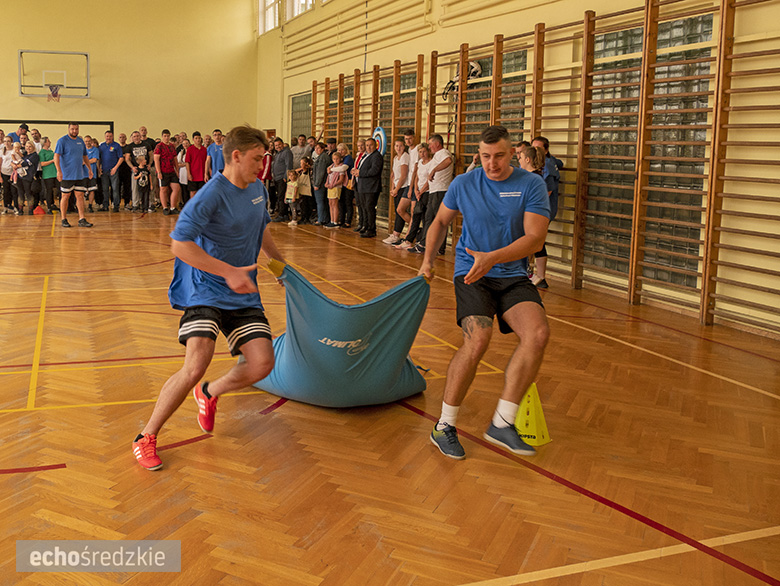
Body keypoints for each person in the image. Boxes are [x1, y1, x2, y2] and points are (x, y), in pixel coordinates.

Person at [132, 125, 286, 471]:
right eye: (257, 158)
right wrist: (228, 271)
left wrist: (281, 268)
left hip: (242, 293)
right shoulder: (210, 195)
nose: (262, 165)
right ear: (236, 156)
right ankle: (146, 437)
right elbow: (180, 244)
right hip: (204, 288)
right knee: (196, 362)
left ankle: (210, 392)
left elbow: (262, 230)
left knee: (262, 364)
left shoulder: (257, 189)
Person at [418, 125, 550, 459]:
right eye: (486, 157)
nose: (492, 164)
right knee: (478, 339)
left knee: (537, 334)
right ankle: (444, 425)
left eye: (500, 156)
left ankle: (503, 423)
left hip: (510, 273)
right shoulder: (464, 183)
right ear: (480, 155)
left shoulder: (531, 184)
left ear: (513, 154)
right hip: (472, 272)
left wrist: (493, 258)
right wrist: (427, 261)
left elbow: (534, 239)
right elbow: (439, 222)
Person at [410, 134, 453, 254]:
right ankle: (434, 246)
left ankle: (426, 245)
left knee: (433, 219)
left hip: (440, 191)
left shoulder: (443, 153)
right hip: (434, 191)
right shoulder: (437, 156)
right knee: (431, 219)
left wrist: (434, 170)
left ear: (437, 144)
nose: (429, 147)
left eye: (430, 144)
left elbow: (448, 161)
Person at [529, 136, 562, 289]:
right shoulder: (550, 161)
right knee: (532, 240)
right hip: (537, 211)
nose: (535, 151)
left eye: (539, 149)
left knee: (537, 241)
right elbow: (560, 162)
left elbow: (545, 192)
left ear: (546, 150)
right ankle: (532, 273)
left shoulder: (546, 166)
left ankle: (541, 276)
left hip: (543, 211)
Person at [54, 123, 93, 227]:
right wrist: (59, 171)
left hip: (79, 174)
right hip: (67, 175)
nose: (74, 131)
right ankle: (63, 219)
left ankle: (82, 219)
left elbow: (85, 156)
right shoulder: (62, 141)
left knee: (80, 196)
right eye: (72, 129)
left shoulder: (81, 141)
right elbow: (56, 157)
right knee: (65, 196)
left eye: (76, 129)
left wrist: (89, 169)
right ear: (68, 129)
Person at [397, 143, 433, 250]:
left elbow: (429, 179)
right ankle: (409, 240)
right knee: (415, 217)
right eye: (420, 152)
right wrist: (416, 190)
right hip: (419, 193)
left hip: (427, 192)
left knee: (426, 218)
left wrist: (421, 191)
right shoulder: (420, 163)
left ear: (428, 152)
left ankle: (423, 242)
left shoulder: (431, 163)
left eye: (424, 151)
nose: (422, 154)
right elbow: (416, 177)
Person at [353, 137, 383, 238]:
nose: (368, 147)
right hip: (363, 186)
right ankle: (365, 226)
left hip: (371, 187)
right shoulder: (365, 155)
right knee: (364, 208)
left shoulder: (376, 156)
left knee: (370, 208)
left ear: (375, 146)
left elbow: (374, 171)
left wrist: (360, 173)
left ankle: (371, 229)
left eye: (371, 145)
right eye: (367, 145)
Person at [383, 138, 410, 245]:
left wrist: (397, 189)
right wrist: (392, 188)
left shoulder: (405, 157)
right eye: (396, 146)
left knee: (400, 211)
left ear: (404, 147)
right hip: (397, 187)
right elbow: (393, 175)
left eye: (401, 146)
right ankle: (396, 234)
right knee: (397, 211)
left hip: (403, 187)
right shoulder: (395, 158)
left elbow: (403, 176)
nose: (398, 148)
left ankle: (410, 230)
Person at [154, 129, 181, 214]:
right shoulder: (159, 146)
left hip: (172, 171)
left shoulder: (172, 146)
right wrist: (159, 172)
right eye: (165, 136)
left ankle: (173, 207)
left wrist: (177, 170)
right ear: (162, 137)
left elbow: (175, 159)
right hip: (163, 171)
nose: (166, 138)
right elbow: (156, 160)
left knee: (176, 188)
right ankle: (165, 207)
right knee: (163, 189)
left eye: (168, 136)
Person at [125, 131, 152, 212]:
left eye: (137, 136)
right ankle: (135, 205)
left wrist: (150, 164)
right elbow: (127, 159)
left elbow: (151, 155)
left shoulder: (146, 145)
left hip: (146, 170)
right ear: (132, 138)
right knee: (135, 188)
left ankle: (148, 205)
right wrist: (132, 167)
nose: (136, 138)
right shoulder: (130, 146)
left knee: (148, 188)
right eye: (134, 136)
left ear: (140, 136)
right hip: (136, 169)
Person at [98, 131, 125, 212]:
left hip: (114, 171)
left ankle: (116, 206)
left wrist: (115, 168)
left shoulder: (116, 146)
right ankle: (105, 206)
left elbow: (121, 158)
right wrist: (99, 168)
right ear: (105, 137)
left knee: (115, 189)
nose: (108, 138)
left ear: (112, 137)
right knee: (105, 189)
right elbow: (98, 158)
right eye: (107, 136)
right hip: (104, 171)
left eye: (110, 136)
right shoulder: (101, 146)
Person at [271, 138, 293, 222]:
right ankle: (284, 214)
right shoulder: (278, 153)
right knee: (281, 196)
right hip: (277, 178)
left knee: (281, 197)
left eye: (279, 144)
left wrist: (286, 177)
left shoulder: (287, 152)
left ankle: (281, 215)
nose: (277, 147)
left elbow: (289, 165)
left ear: (283, 144)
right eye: (276, 145)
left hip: (282, 178)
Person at [324, 152, 348, 229]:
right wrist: (327, 183)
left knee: (335, 204)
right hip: (330, 187)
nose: (335, 160)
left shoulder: (340, 168)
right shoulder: (331, 166)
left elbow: (341, 180)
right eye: (334, 159)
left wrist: (333, 185)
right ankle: (331, 220)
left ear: (340, 159)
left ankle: (335, 221)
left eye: (337, 159)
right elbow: (328, 176)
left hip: (336, 187)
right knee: (330, 203)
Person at [17, 141, 41, 214]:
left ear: (33, 147)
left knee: (28, 193)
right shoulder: (24, 155)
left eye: (30, 146)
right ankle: (20, 210)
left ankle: (30, 210)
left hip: (28, 177)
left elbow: (25, 163)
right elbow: (17, 160)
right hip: (20, 176)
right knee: (20, 193)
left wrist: (17, 165)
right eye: (27, 146)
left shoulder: (35, 156)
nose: (28, 148)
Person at [311, 142, 330, 225]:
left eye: (318, 148)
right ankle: (324, 218)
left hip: (321, 184)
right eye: (315, 148)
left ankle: (321, 219)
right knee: (322, 202)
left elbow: (320, 172)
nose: (316, 150)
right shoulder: (321, 156)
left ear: (323, 149)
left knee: (320, 202)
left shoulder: (323, 157)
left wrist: (317, 184)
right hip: (321, 183)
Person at [336, 143, 354, 227]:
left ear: (346, 150)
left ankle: (348, 221)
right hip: (342, 183)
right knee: (341, 201)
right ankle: (341, 219)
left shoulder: (348, 158)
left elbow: (343, 168)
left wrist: (331, 169)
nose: (340, 151)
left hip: (349, 183)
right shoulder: (341, 159)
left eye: (342, 150)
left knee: (348, 202)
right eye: (339, 150)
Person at [186, 131, 208, 199]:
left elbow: (207, 162)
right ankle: (192, 206)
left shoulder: (204, 149)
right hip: (193, 175)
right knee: (193, 192)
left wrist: (206, 173)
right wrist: (189, 174)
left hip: (202, 174)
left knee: (202, 192)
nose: (198, 140)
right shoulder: (190, 149)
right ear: (193, 139)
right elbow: (187, 162)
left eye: (199, 138)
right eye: (196, 138)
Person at [39, 137, 59, 214]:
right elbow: (42, 163)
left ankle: (53, 204)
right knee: (49, 191)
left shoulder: (50, 151)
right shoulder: (42, 152)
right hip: (48, 174)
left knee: (57, 190)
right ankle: (49, 207)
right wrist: (52, 161)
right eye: (48, 141)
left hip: (55, 173)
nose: (50, 142)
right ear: (45, 143)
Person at [1, 136, 18, 214]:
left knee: (14, 191)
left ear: (11, 142)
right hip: (4, 173)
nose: (6, 143)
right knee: (6, 191)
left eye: (8, 141)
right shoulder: (2, 151)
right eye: (5, 141)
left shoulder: (14, 151)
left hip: (13, 173)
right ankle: (5, 207)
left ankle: (15, 207)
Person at [84, 137, 100, 213]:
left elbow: (94, 160)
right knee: (81, 191)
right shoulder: (82, 150)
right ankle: (81, 206)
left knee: (92, 190)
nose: (87, 142)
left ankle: (90, 205)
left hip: (92, 173)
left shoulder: (95, 150)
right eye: (86, 141)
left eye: (89, 141)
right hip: (82, 174)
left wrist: (85, 162)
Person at [177, 138, 191, 206]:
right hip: (183, 173)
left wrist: (186, 164)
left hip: (191, 172)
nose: (185, 145)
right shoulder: (181, 153)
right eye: (184, 143)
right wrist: (186, 164)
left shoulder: (192, 151)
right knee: (184, 190)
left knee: (190, 189)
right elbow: (178, 164)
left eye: (186, 143)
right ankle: (185, 204)